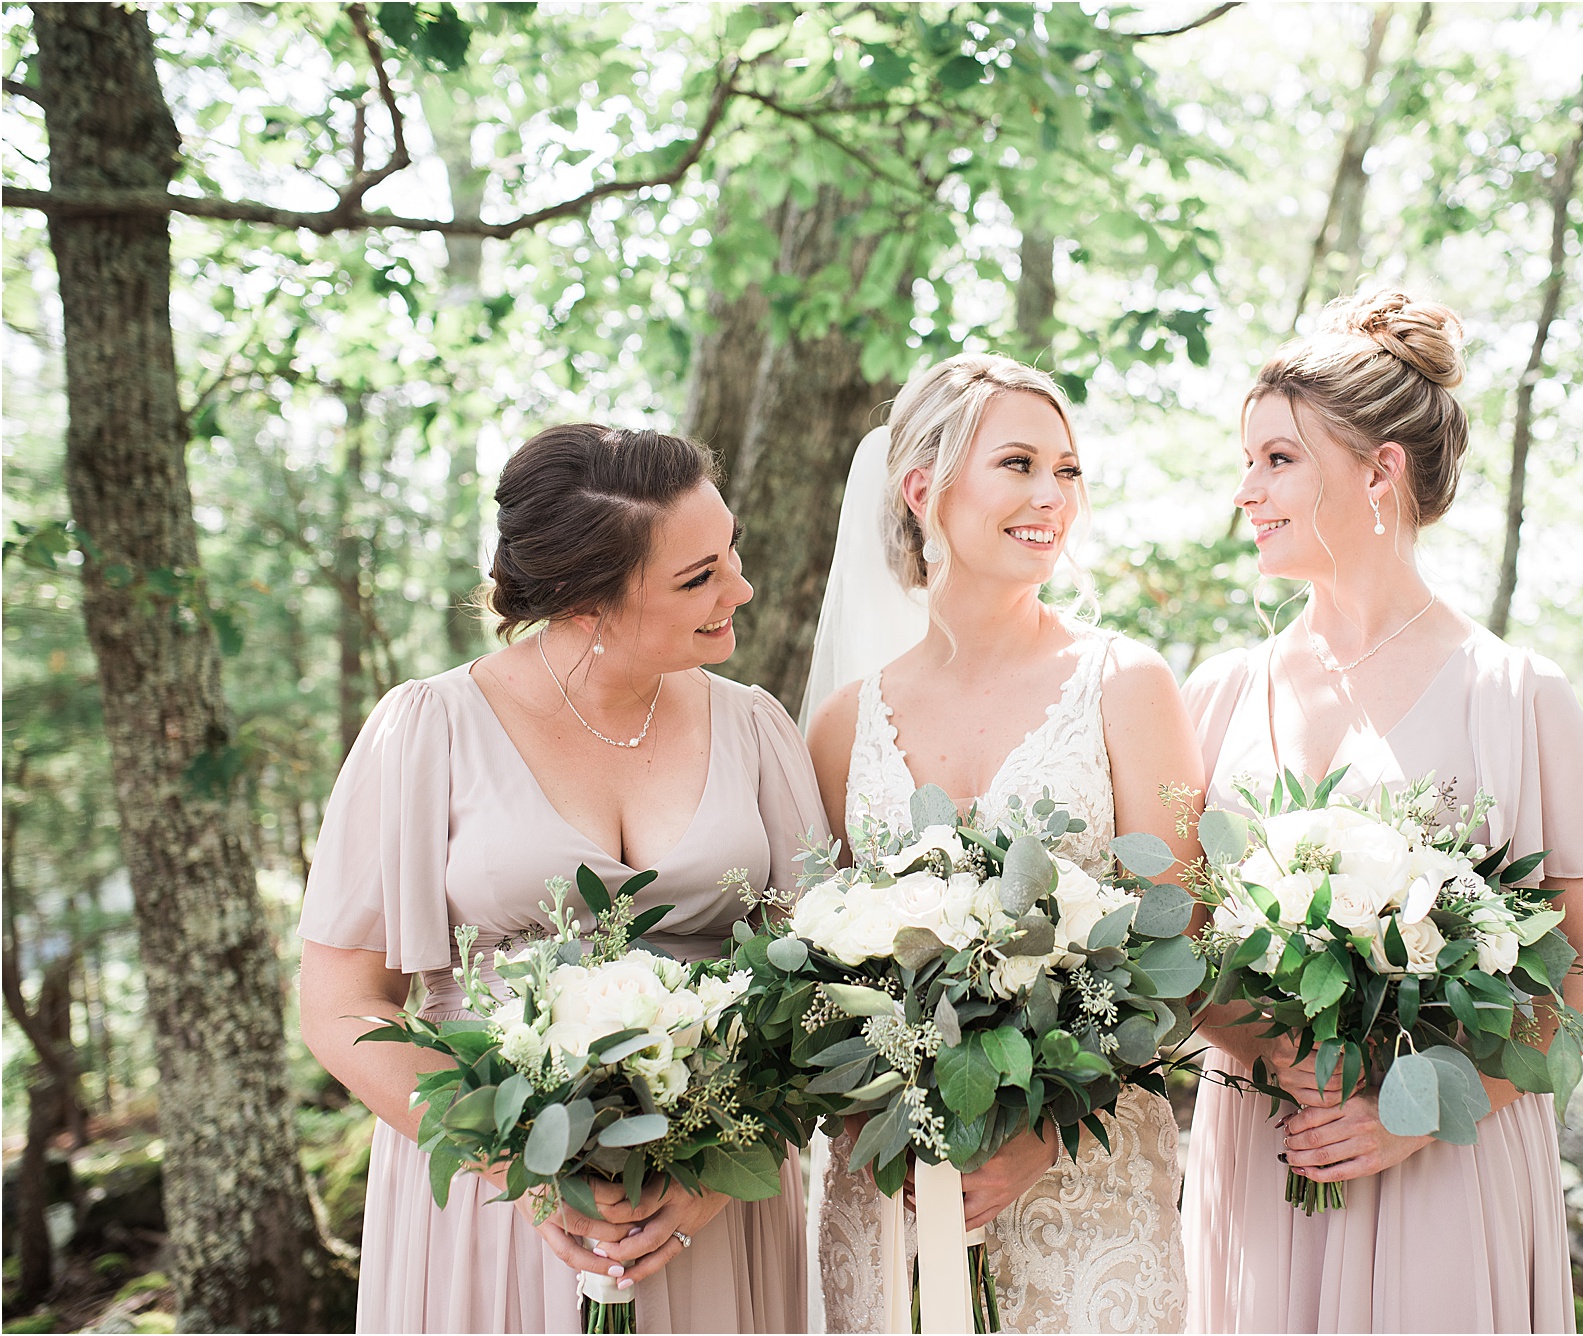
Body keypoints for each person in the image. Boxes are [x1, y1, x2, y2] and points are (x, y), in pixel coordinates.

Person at [1180, 291, 1583, 1333]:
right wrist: (1264, 1047)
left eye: (1276, 460)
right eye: (1246, 460)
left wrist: (1424, 1104)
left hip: (1445, 1168)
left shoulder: (1518, 697)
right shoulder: (1215, 693)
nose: (1244, 491)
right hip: (1264, 1156)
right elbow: (1171, 945)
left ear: (1377, 470)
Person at [298, 424, 821, 1333]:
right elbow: (342, 1005)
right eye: (697, 578)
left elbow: (815, 986)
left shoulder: (757, 728)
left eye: (729, 551)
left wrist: (719, 1168)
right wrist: (523, 1173)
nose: (739, 588)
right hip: (492, 1209)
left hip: (715, 1207)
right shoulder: (425, 731)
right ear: (587, 602)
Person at [804, 354, 1204, 1332]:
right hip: (890, 1191)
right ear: (920, 487)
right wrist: (889, 1121)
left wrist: (1040, 1136)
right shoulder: (843, 724)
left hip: (1085, 1185)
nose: (1051, 496)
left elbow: (1183, 948)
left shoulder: (1125, 683)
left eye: (1066, 469)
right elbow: (815, 978)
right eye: (1018, 464)